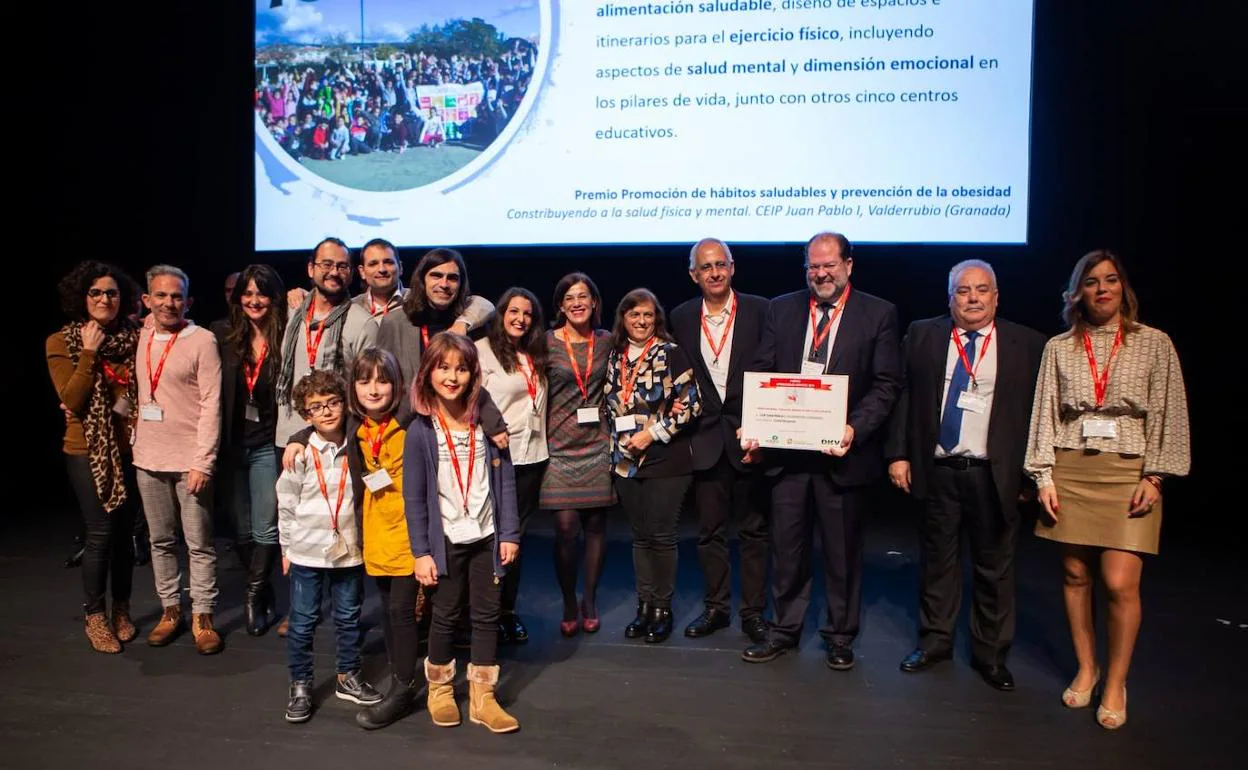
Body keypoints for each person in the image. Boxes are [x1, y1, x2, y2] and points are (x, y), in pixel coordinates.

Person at [1024, 249, 1190, 730]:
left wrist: (1156, 476)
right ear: (1078, 292)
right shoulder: (1060, 346)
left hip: (1128, 471)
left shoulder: (1154, 343)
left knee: (1119, 582)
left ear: (1124, 288)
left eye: (1110, 280)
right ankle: (1087, 668)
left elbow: (1170, 412)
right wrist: (1044, 476)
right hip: (1072, 468)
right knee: (1076, 575)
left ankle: (1116, 680)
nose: (1102, 289)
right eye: (1092, 282)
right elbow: (1044, 412)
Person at [742, 232, 901, 669]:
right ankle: (784, 630)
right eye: (813, 266)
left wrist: (854, 428)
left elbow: (887, 384)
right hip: (788, 456)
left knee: (841, 551)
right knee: (787, 549)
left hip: (843, 455)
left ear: (849, 264)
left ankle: (839, 634)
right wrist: (756, 424)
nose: (821, 274)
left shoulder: (878, 313)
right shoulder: (781, 308)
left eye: (829, 265)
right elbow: (762, 370)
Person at [884, 260, 1046, 691]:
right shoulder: (923, 334)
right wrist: (898, 454)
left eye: (981, 290)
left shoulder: (1027, 343)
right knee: (938, 562)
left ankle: (990, 654)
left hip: (995, 473)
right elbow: (904, 396)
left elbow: (1039, 415)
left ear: (997, 296)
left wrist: (1033, 475)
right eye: (963, 291)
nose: (972, 298)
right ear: (949, 296)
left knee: (995, 567)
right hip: (938, 468)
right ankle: (935, 641)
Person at [405, 333, 521, 734]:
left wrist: (509, 532)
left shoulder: (488, 426)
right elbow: (415, 499)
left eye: (461, 368)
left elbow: (506, 483)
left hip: (487, 535)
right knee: (445, 614)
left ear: (473, 374)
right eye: (443, 367)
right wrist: (421, 551)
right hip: (448, 539)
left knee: (488, 616)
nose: (452, 376)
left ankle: (483, 697)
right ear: (429, 373)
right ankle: (439, 690)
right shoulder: (421, 430)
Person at [669, 238, 771, 644]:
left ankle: (753, 612)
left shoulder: (762, 310)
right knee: (709, 532)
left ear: (732, 267)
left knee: (754, 531)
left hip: (753, 437)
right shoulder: (680, 316)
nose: (714, 273)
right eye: (705, 267)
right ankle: (716, 608)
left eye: (720, 265)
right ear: (694, 274)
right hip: (707, 439)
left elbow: (774, 369)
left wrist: (768, 427)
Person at [276, 370, 383, 723]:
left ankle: (348, 676)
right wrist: (286, 548)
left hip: (349, 551)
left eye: (332, 403)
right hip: (307, 551)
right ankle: (301, 683)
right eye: (316, 407)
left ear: (344, 404)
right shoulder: (300, 452)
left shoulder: (359, 443)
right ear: (306, 416)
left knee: (349, 618)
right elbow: (286, 502)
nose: (325, 412)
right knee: (303, 622)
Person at [47, 261, 142, 653]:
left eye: (112, 293)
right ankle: (95, 616)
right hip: (87, 451)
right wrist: (89, 352)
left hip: (132, 448)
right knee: (100, 533)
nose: (105, 299)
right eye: (96, 293)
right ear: (81, 297)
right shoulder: (61, 341)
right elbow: (71, 398)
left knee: (125, 537)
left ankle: (122, 610)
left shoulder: (135, 339)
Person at [132, 265, 224, 655]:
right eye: (161, 295)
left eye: (176, 296)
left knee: (199, 543)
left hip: (190, 460)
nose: (169, 302)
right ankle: (171, 611)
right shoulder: (139, 335)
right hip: (147, 456)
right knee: (160, 541)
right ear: (147, 300)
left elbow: (212, 404)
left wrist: (203, 461)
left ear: (187, 300)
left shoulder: (201, 340)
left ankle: (203, 616)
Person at [606, 289, 701, 644]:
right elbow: (609, 404)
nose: (641, 321)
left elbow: (692, 405)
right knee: (640, 536)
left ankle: (663, 609)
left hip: (666, 459)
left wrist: (654, 433)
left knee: (661, 535)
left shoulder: (670, 353)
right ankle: (643, 606)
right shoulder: (615, 356)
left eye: (647, 315)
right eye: (634, 315)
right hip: (626, 462)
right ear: (624, 319)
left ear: (656, 317)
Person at [476, 288, 549, 644]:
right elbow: (468, 398)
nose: (520, 319)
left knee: (514, 541)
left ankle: (507, 610)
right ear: (501, 313)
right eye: (514, 311)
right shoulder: (480, 351)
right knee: (487, 538)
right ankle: (481, 611)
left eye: (528, 314)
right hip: (493, 459)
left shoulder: (535, 353)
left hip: (531, 457)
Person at [541, 273, 613, 636]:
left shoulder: (608, 341)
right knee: (566, 528)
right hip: (558, 448)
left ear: (595, 301)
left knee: (596, 527)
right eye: (569, 297)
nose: (577, 302)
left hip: (597, 445)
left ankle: (590, 599)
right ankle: (569, 598)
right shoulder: (546, 344)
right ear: (560, 306)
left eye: (583, 295)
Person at [218, 264, 286, 636]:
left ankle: (252, 594)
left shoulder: (286, 336)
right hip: (231, 446)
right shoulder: (221, 335)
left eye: (262, 293)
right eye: (248, 293)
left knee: (264, 526)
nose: (254, 300)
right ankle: (265, 589)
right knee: (241, 532)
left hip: (266, 445)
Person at [375, 247, 494, 388]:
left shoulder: (472, 323)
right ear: (422, 279)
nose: (444, 284)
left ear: (461, 284)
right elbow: (382, 378)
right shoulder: (394, 323)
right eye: (436, 275)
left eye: (452, 278)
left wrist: (462, 324)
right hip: (410, 409)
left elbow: (486, 305)